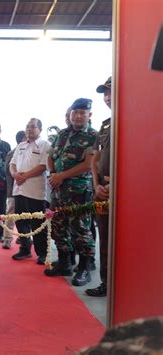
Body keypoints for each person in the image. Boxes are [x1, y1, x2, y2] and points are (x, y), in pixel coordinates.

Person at [45, 98, 98, 287]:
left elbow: (87, 164)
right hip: (58, 191)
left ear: (89, 115)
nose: (77, 116)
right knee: (58, 227)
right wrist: (53, 174)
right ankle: (65, 262)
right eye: (75, 113)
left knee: (81, 230)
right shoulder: (63, 134)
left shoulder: (93, 136)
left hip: (79, 191)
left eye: (82, 113)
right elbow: (50, 156)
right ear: (70, 114)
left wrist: (61, 176)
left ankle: (84, 268)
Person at [10, 119, 51, 264]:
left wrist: (24, 176)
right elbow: (12, 163)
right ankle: (25, 249)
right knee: (21, 222)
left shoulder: (45, 145)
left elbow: (43, 166)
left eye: (33, 127)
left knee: (38, 223)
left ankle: (42, 253)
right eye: (27, 126)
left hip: (35, 191)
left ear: (40, 129)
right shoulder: (21, 145)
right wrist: (15, 174)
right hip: (19, 190)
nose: (29, 129)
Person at [86, 77, 112, 297]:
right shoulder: (105, 124)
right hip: (102, 191)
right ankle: (106, 282)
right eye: (105, 93)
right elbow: (95, 158)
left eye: (111, 92)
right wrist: (96, 184)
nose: (108, 97)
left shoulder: (135, 119)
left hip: (127, 192)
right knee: (104, 236)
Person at [2, 130, 26, 249]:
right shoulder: (12, 153)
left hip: (27, 190)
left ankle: (23, 238)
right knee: (11, 214)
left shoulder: (29, 152)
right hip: (13, 189)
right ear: (22, 140)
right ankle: (7, 239)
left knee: (24, 216)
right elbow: (7, 171)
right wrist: (18, 174)